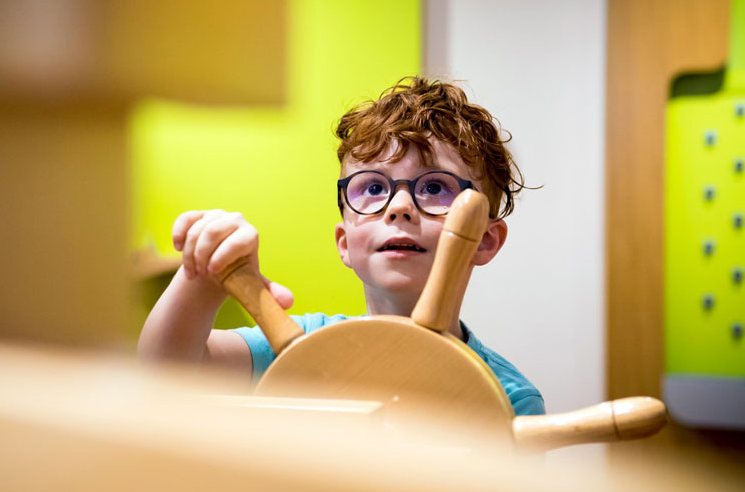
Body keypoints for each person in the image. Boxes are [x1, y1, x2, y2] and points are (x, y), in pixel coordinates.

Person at [138, 76, 544, 415]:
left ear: (485, 240)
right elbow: (166, 371)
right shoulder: (304, 347)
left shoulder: (510, 399)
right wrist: (200, 285)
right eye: (372, 187)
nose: (399, 206)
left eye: (434, 186)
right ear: (344, 243)